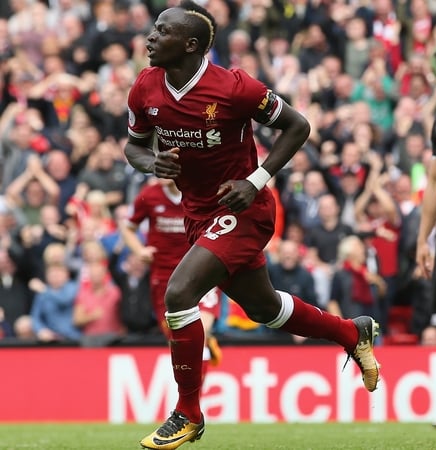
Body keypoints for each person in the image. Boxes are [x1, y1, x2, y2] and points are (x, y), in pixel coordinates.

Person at [124, 2, 380, 448]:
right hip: (199, 212)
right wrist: (153, 162)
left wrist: (256, 178)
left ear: (190, 45)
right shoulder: (145, 87)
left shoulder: (235, 87)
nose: (150, 37)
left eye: (161, 31)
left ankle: (188, 412)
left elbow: (298, 126)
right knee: (264, 309)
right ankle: (350, 332)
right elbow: (134, 147)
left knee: (180, 294)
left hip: (244, 208)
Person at [120, 178, 224, 368]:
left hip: (201, 273)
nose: (162, 170)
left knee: (200, 331)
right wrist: (139, 250)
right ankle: (192, 387)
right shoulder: (149, 195)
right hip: (165, 278)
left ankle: (195, 396)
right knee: (179, 340)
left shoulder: (201, 191)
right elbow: (127, 227)